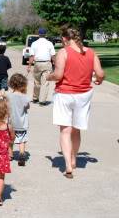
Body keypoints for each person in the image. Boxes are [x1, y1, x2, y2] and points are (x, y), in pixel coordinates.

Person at [47, 26, 104, 179]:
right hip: (83, 95)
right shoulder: (91, 53)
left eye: (61, 40)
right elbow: (100, 73)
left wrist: (49, 77)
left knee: (65, 130)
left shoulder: (63, 53)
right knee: (76, 129)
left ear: (65, 39)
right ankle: (74, 159)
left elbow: (58, 75)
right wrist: (99, 80)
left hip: (65, 94)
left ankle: (67, 165)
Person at [27, 28, 55, 106]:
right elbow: (53, 55)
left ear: (38, 34)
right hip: (46, 63)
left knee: (37, 82)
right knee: (45, 83)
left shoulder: (34, 43)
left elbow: (32, 56)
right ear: (45, 34)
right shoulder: (49, 43)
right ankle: (42, 101)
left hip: (37, 64)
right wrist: (55, 65)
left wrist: (29, 66)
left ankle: (35, 98)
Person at [7, 73, 31, 166]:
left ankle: (10, 155)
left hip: (11, 123)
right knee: (22, 140)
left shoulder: (8, 96)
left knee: (10, 139)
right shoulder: (24, 96)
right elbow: (27, 106)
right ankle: (21, 154)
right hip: (21, 123)